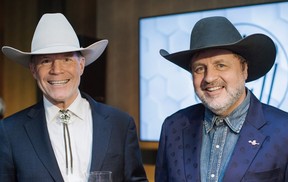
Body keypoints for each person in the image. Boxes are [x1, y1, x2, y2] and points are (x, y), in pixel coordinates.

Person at [0, 13, 147, 182]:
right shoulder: (10, 132)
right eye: (46, 61)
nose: (57, 70)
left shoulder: (120, 124)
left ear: (81, 65)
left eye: (67, 59)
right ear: (33, 69)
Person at [155, 16, 288, 182]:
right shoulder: (173, 127)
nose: (209, 78)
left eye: (221, 65)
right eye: (199, 68)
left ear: (244, 69)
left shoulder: (284, 130)